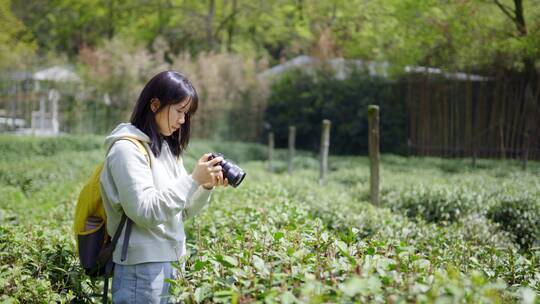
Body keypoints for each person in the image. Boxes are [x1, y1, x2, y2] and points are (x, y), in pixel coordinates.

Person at [99, 71, 228, 303]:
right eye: (179, 111)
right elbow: (145, 212)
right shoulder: (126, 150)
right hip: (141, 270)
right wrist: (193, 180)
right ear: (155, 104)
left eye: (186, 114)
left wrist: (205, 186)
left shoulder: (166, 149)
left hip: (172, 263)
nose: (182, 120)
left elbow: (182, 211)